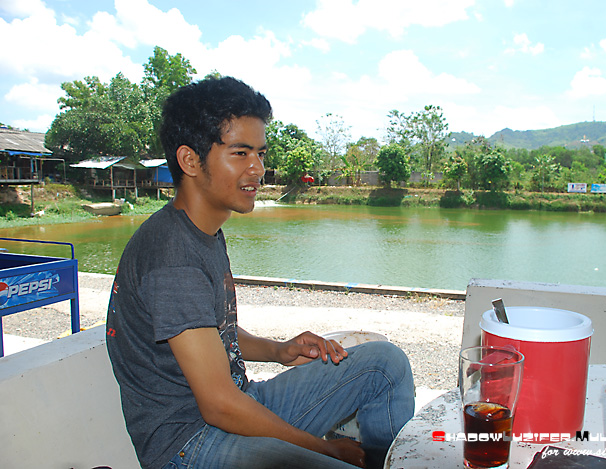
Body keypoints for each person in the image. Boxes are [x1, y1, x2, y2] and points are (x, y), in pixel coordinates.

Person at [105, 76, 415, 469]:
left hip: (237, 406)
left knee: (384, 365)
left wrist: (278, 350)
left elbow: (212, 332)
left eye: (261, 154)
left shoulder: (203, 232)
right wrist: (323, 449)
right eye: (240, 153)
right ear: (189, 160)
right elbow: (219, 406)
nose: (258, 168)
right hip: (192, 444)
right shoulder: (172, 256)